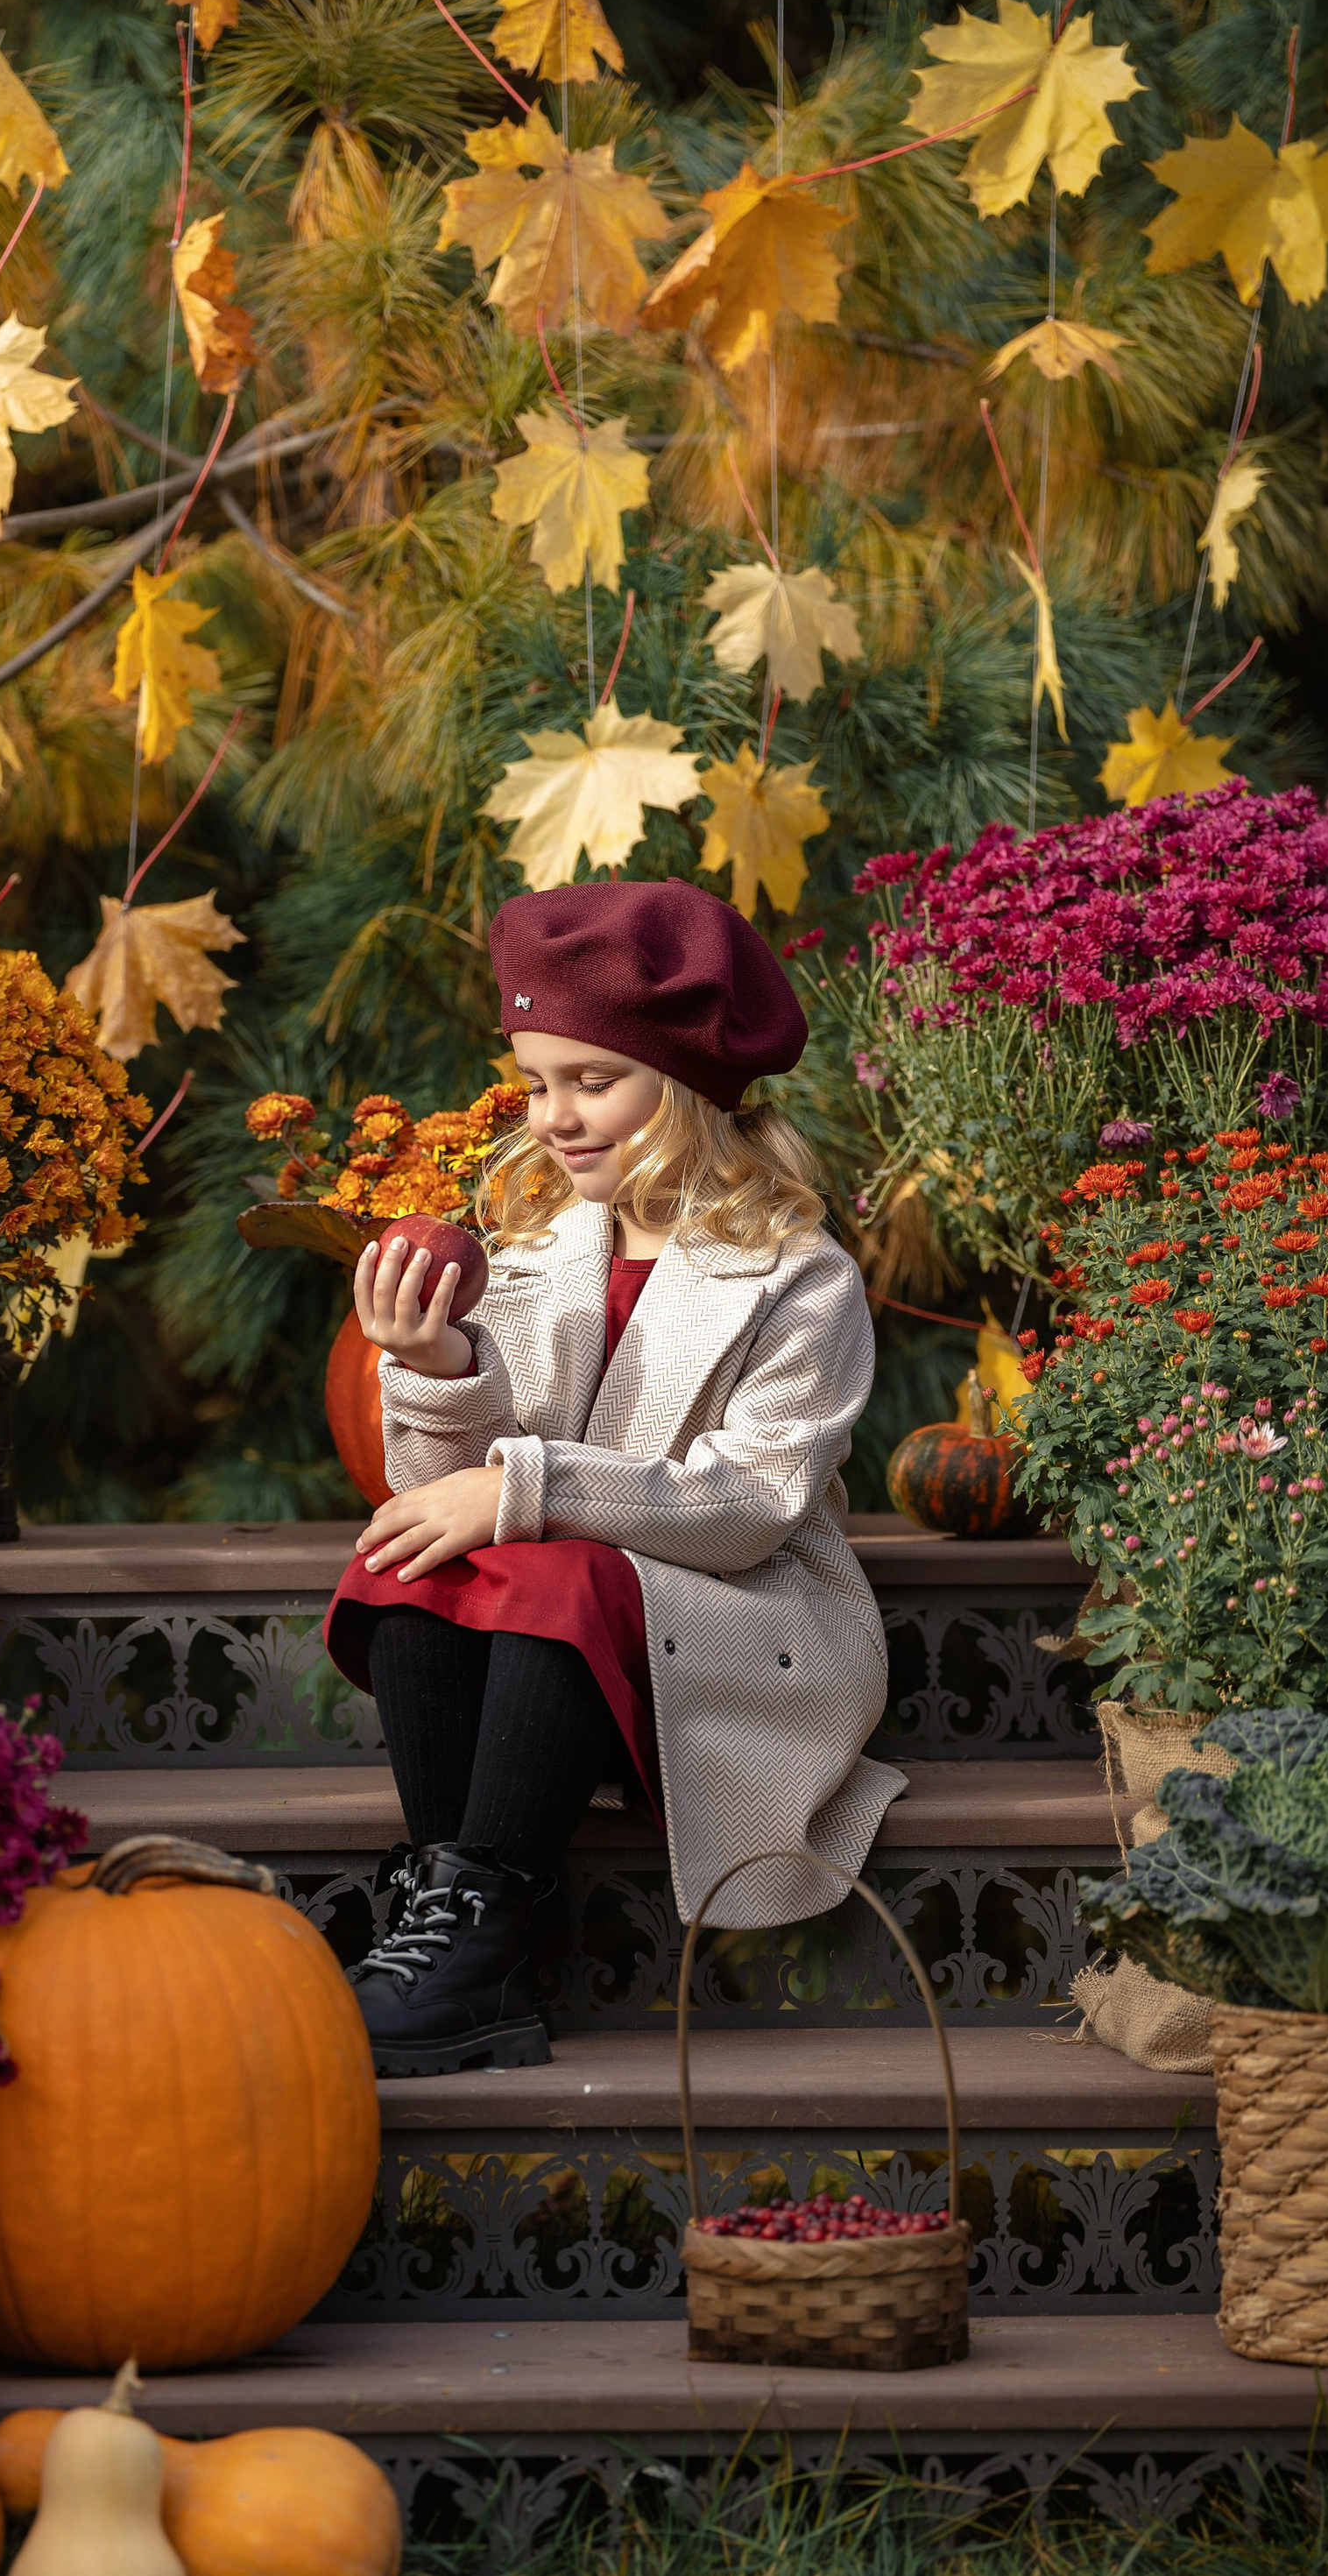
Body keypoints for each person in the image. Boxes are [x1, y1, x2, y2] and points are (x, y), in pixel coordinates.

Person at [323, 878, 905, 2075]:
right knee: (406, 1558)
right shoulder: (538, 1252)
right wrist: (439, 1370)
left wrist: (522, 1488)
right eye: (539, 1082)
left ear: (688, 1088)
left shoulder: (798, 1276)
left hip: (743, 1624)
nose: (555, 1116)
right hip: (561, 1643)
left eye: (596, 1081)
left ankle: (471, 1934)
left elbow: (752, 1504)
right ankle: (456, 1921)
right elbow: (451, 1488)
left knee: (560, 1570)